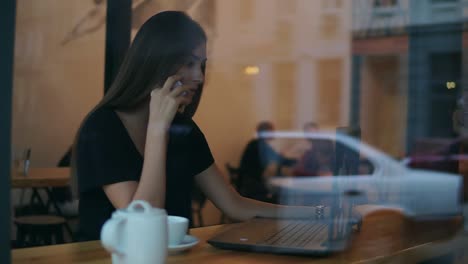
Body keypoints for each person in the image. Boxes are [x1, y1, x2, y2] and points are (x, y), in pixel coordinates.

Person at [74, 11, 318, 241]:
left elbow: (234, 205)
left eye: (201, 65)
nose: (200, 77)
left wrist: (316, 214)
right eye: (189, 63)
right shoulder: (103, 127)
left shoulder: (184, 130)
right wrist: (157, 130)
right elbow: (143, 224)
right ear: (156, 63)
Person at [237, 121, 292, 202]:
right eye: (272, 131)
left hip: (247, 183)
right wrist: (297, 161)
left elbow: (277, 158)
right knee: (282, 194)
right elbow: (282, 160)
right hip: (253, 186)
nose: (274, 133)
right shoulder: (260, 145)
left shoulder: (255, 143)